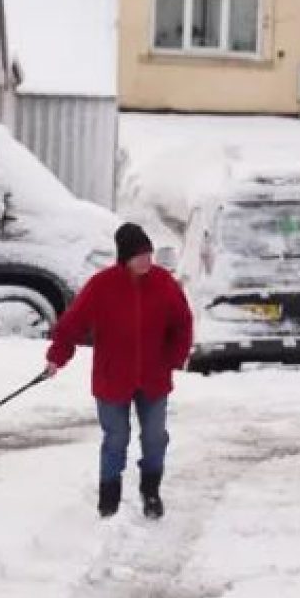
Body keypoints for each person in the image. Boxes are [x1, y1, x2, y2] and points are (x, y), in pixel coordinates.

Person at [44, 222, 192, 519]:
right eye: (139, 256)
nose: (146, 261)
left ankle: (150, 492)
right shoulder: (101, 286)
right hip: (112, 378)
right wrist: (57, 358)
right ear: (125, 256)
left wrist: (174, 358)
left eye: (149, 255)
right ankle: (108, 498)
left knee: (154, 437)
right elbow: (72, 324)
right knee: (116, 438)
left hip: (153, 377)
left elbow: (183, 324)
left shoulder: (164, 283)